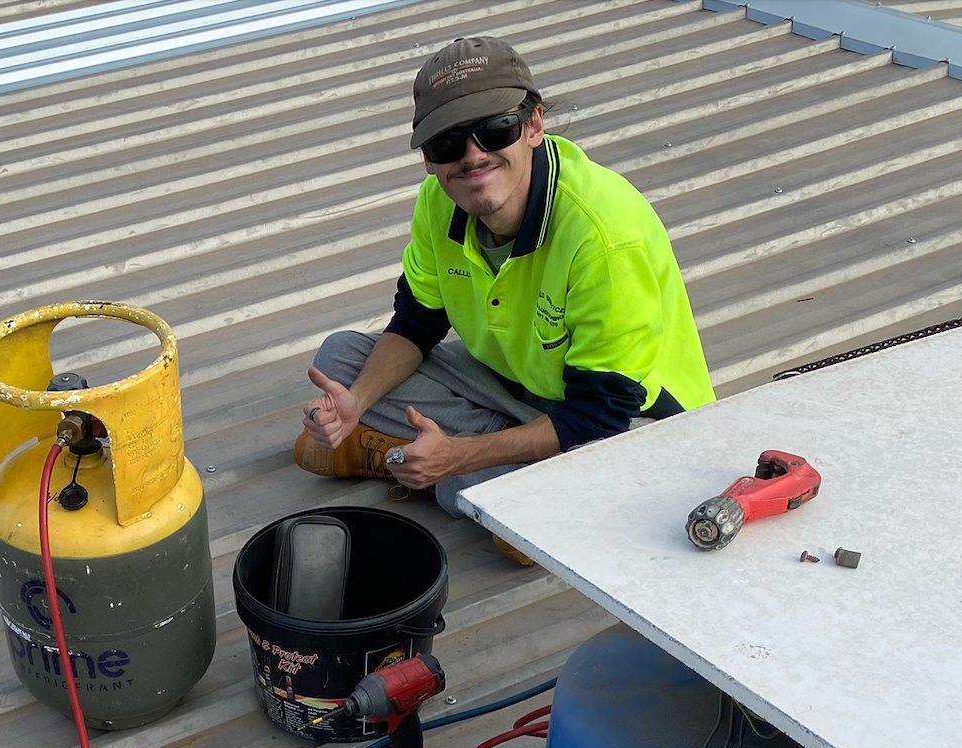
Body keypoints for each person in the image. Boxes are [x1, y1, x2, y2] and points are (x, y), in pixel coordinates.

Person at [295, 35, 714, 556]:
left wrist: (461, 455)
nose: (472, 157)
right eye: (447, 143)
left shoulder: (604, 235)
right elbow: (415, 325)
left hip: (632, 421)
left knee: (510, 490)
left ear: (534, 125)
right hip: (515, 382)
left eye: (495, 130)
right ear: (428, 159)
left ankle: (427, 461)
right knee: (340, 358)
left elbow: (597, 415)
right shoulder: (437, 201)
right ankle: (478, 474)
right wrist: (355, 404)